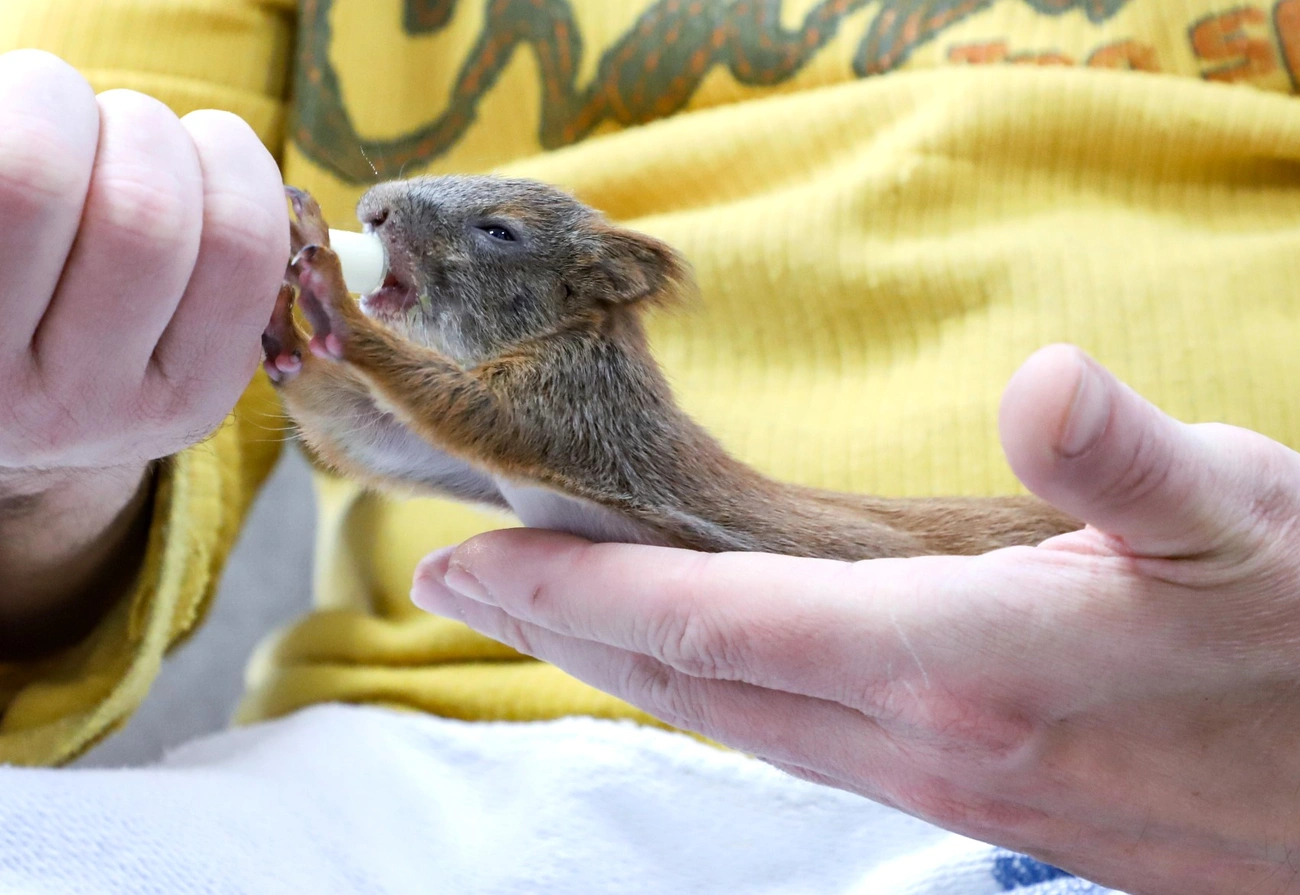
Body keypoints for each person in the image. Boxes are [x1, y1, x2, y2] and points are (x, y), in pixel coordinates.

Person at [1, 0, 1298, 891]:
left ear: (595, 287)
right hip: (445, 760)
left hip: (1177, 753)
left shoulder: (578, 381)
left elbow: (479, 423)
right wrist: (237, 333)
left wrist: (341, 319)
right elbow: (364, 439)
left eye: (497, 242)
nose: (395, 219)